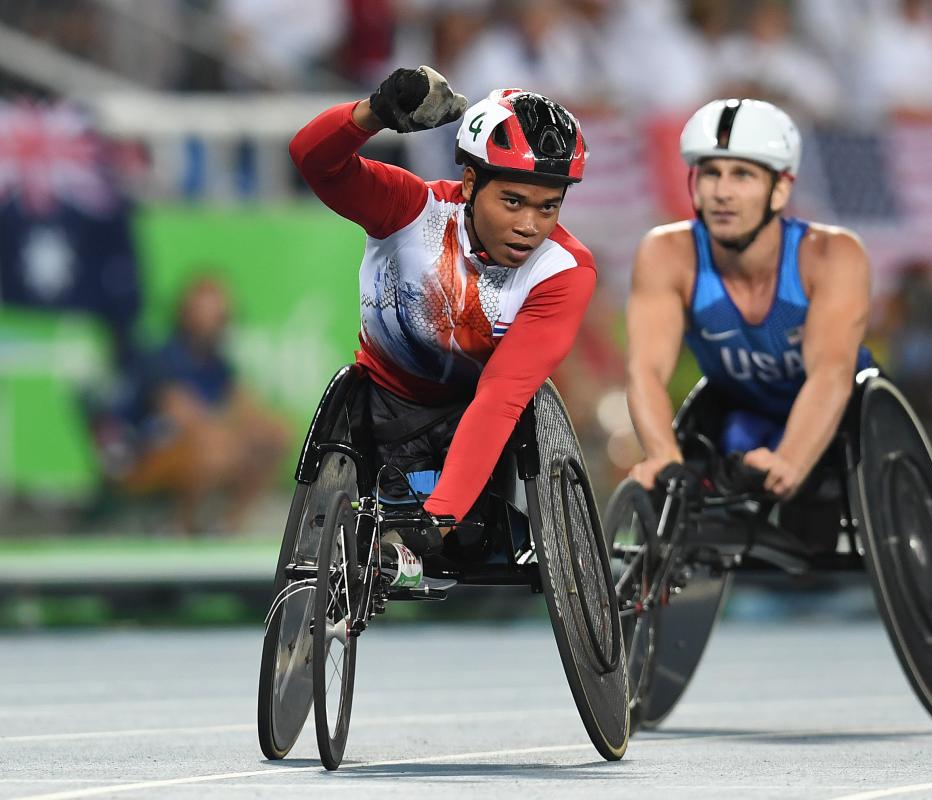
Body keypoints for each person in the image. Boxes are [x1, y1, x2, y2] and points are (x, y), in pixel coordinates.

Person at [289, 65, 595, 577]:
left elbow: (501, 397)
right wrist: (373, 114)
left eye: (548, 208)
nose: (528, 226)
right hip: (383, 407)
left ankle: (461, 526)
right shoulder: (409, 210)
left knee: (467, 541)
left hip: (476, 419)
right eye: (513, 201)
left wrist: (443, 517)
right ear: (472, 182)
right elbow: (312, 159)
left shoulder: (563, 273)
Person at [625, 98, 872, 500]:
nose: (722, 192)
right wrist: (664, 457)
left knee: (812, 511)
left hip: (842, 418)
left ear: (779, 190)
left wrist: (790, 459)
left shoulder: (832, 255)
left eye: (742, 175)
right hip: (740, 417)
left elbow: (831, 373)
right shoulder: (666, 254)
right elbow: (645, 372)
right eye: (710, 174)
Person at [120, 276, 291, 533]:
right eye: (209, 314)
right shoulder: (162, 360)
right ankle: (179, 526)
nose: (218, 322)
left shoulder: (218, 366)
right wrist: (236, 432)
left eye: (222, 315)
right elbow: (186, 415)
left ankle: (229, 525)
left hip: (205, 444)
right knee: (215, 447)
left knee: (274, 436)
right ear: (187, 315)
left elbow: (247, 409)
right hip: (145, 457)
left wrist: (265, 431)